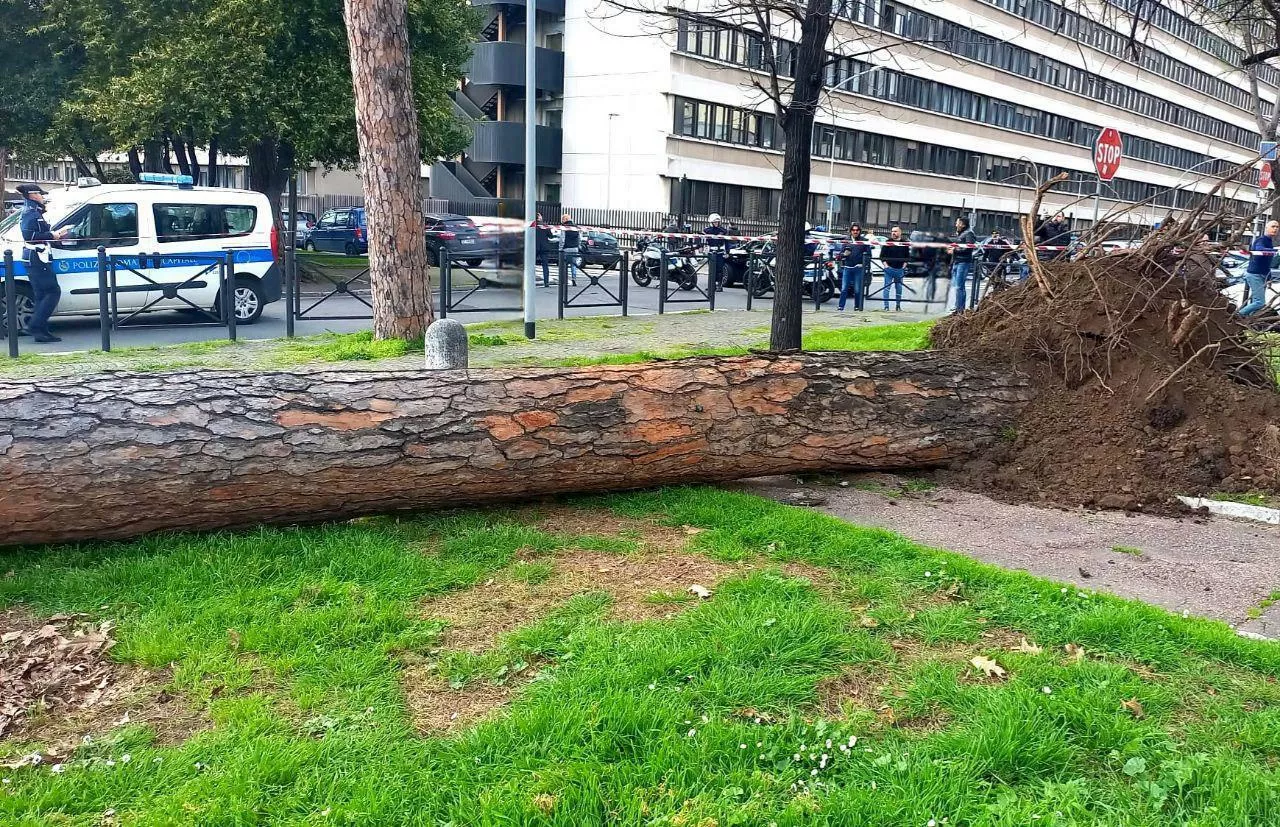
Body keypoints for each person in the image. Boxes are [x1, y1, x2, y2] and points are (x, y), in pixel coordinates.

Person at [17, 183, 69, 343]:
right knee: (53, 291)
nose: (43, 197)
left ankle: (41, 331)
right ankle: (35, 325)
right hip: (36, 258)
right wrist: (54, 235)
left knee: (41, 295)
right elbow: (30, 236)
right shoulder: (31, 213)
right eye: (40, 194)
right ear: (33, 195)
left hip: (34, 257)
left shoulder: (32, 212)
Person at [1241, 220, 1277, 317]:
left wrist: (1269, 278)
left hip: (1263, 275)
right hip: (1255, 275)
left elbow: (1266, 263)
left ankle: (1248, 323)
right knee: (1259, 302)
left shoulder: (1269, 241)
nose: (1275, 229)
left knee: (1256, 303)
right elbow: (1259, 249)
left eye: (1277, 227)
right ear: (1266, 228)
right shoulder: (1261, 240)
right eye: (1273, 226)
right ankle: (1237, 316)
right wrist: (1274, 251)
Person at [838, 222, 872, 312]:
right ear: (850, 231)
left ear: (860, 231)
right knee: (844, 288)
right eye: (853, 230)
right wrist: (844, 254)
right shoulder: (847, 240)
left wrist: (863, 264)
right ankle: (841, 306)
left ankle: (857, 306)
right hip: (847, 267)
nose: (855, 232)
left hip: (858, 268)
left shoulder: (864, 240)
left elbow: (869, 255)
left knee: (857, 289)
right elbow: (840, 255)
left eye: (857, 230)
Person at [950, 217, 977, 312]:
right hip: (957, 261)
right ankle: (958, 306)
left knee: (959, 286)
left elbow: (968, 248)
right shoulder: (961, 234)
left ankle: (960, 308)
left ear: (963, 224)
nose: (956, 224)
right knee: (958, 286)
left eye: (957, 223)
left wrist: (955, 249)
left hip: (963, 262)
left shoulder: (969, 233)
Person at [879, 226, 909, 311]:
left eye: (895, 231)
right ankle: (886, 306)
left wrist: (904, 267)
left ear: (900, 232)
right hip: (889, 268)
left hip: (900, 269)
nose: (893, 233)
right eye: (892, 231)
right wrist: (886, 266)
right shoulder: (888, 242)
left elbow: (907, 256)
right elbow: (882, 256)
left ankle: (898, 306)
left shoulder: (904, 243)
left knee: (899, 288)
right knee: (886, 288)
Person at [703, 213, 730, 291]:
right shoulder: (707, 230)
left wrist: (727, 252)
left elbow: (727, 242)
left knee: (719, 269)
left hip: (720, 252)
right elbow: (700, 237)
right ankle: (712, 285)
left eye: (717, 222)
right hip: (711, 252)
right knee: (711, 269)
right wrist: (700, 247)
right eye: (714, 222)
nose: (716, 223)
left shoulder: (723, 231)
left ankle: (719, 285)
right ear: (711, 222)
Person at [559, 213, 580, 286]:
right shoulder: (576, 227)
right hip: (575, 248)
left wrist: (561, 248)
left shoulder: (564, 227)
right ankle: (574, 279)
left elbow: (562, 239)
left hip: (567, 248)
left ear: (565, 219)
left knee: (565, 265)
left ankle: (564, 280)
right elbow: (579, 238)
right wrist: (578, 246)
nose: (561, 221)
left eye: (562, 219)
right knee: (573, 265)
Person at [535, 213, 553, 287]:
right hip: (544, 247)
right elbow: (551, 236)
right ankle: (546, 282)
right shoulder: (545, 226)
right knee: (545, 266)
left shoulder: (532, 225)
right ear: (540, 218)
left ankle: (529, 281)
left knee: (531, 265)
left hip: (535, 247)